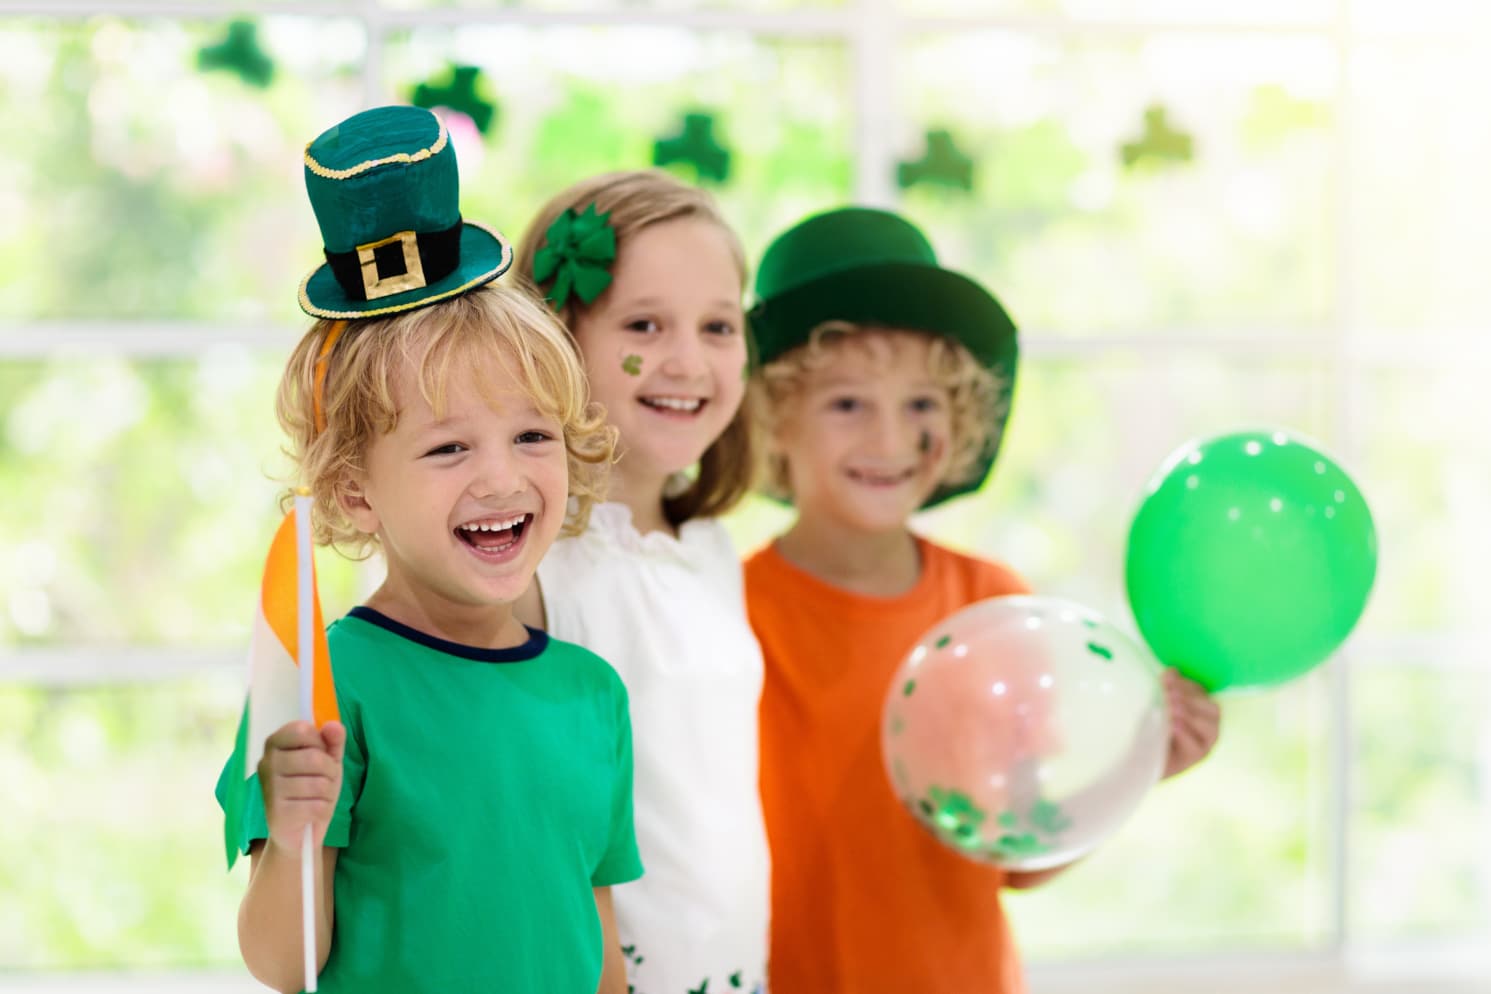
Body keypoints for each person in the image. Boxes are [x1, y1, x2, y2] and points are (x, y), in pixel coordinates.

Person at [743, 206, 1222, 994]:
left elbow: (1018, 861)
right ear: (771, 418)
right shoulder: (734, 614)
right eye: (846, 404)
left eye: (922, 405)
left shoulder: (992, 606)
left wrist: (1142, 766)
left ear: (959, 420)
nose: (890, 440)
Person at [215, 105, 640, 994]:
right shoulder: (327, 688)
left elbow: (594, 934)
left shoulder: (591, 694)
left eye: (532, 436)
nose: (501, 479)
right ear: (353, 492)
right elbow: (280, 964)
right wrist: (295, 830)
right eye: (449, 448)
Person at [511, 171, 768, 994]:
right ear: (559, 337)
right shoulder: (531, 557)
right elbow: (526, 808)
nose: (686, 361)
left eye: (718, 326)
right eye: (644, 324)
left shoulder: (710, 552)